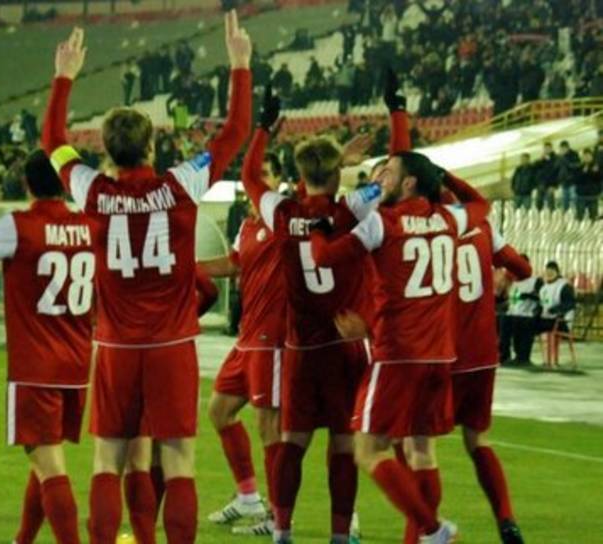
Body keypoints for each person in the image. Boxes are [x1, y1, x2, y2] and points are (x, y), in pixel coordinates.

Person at [41, 15, 252, 543]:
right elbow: (234, 134)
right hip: (172, 345)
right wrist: (240, 65)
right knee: (178, 460)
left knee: (107, 460)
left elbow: (52, 141)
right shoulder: (181, 184)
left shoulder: (92, 189)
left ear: (108, 152)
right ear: (151, 148)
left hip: (115, 345)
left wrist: (64, 77)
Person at [310, 152, 491, 544]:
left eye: (389, 174)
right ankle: (424, 536)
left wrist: (318, 230)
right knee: (422, 450)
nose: (381, 181)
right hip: (439, 357)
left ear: (409, 183)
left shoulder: (383, 223)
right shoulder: (448, 219)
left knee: (367, 450)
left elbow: (324, 258)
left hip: (397, 356)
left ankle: (433, 530)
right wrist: (447, 178)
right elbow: (481, 204)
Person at [241, 86, 379, 544]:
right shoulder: (350, 210)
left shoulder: (282, 213)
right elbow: (393, 177)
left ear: (299, 175)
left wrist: (264, 126)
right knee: (343, 444)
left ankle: (282, 532)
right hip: (345, 347)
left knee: (292, 444)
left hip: (300, 351)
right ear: (337, 174)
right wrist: (392, 120)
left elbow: (248, 175)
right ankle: (340, 535)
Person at [0, 150, 93, 544]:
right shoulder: (90, 226)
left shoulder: (19, 225)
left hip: (36, 364)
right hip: (77, 364)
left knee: (49, 465)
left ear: (27, 184)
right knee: (44, 458)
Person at [437, 189, 531, 544]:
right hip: (482, 353)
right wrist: (500, 279)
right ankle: (506, 519)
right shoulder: (484, 226)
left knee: (415, 447)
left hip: (441, 353)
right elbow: (523, 270)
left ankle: (425, 529)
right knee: (477, 440)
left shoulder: (430, 227)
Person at [198, 151, 284, 536]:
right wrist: (187, 268)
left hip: (272, 339)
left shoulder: (284, 217)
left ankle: (279, 515)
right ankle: (248, 496)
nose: (257, 181)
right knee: (219, 411)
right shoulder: (248, 225)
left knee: (270, 428)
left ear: (279, 180)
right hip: (248, 337)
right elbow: (234, 264)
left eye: (265, 174)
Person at [500, 254, 542, 366]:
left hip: (528, 315)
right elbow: (511, 300)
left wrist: (529, 296)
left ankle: (522, 357)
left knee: (522, 324)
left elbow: (544, 299)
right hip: (513, 313)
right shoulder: (514, 283)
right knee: (502, 321)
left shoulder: (536, 281)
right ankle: (504, 356)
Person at [538, 261, 576, 366]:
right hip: (547, 319)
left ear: (557, 272)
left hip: (562, 322)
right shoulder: (543, 288)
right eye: (547, 271)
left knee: (547, 327)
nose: (549, 274)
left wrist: (555, 310)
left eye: (551, 271)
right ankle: (524, 357)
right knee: (526, 324)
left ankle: (551, 360)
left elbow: (570, 304)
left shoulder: (564, 286)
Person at [576, 147, 601, 220]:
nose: (587, 158)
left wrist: (596, 173)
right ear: (582, 157)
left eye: (588, 156)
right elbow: (576, 180)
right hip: (581, 195)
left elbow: (599, 180)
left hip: (593, 195)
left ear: (592, 157)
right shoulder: (579, 167)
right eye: (585, 156)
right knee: (579, 217)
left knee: (594, 217)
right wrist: (583, 172)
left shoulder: (597, 167)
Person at [556, 140, 581, 212]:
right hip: (564, 181)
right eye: (561, 148)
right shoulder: (560, 156)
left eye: (564, 148)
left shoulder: (574, 154)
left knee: (573, 199)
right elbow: (557, 167)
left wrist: (563, 158)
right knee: (565, 200)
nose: (562, 150)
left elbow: (575, 166)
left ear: (567, 148)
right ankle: (565, 213)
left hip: (572, 181)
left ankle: (575, 213)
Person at [534, 142, 558, 211]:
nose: (546, 150)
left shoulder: (555, 158)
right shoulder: (541, 158)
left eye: (548, 148)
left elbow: (557, 172)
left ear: (551, 149)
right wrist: (540, 159)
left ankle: (551, 215)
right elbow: (535, 167)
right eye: (545, 148)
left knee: (550, 203)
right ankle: (538, 215)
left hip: (551, 184)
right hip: (541, 183)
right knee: (539, 202)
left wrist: (554, 185)